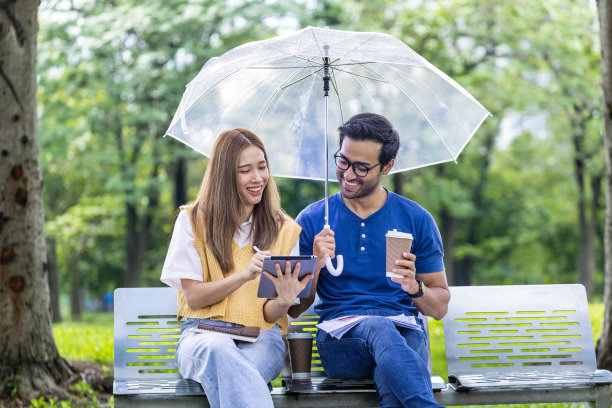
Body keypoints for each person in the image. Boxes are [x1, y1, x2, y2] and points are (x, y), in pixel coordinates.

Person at [294, 113, 449, 407]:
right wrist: (314, 264)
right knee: (379, 328)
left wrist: (415, 287)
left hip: (403, 333)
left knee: (393, 366)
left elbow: (439, 307)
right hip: (341, 343)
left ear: (387, 166)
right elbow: (294, 307)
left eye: (362, 167)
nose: (348, 174)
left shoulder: (416, 219)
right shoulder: (313, 219)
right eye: (343, 161)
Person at [160, 128, 312, 408]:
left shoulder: (285, 231)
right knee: (225, 357)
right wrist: (244, 275)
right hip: (202, 336)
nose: (258, 178)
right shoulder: (193, 221)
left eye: (262, 167)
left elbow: (270, 314)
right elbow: (193, 297)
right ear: (225, 175)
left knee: (236, 377)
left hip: (261, 338)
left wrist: (284, 300)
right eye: (245, 170)